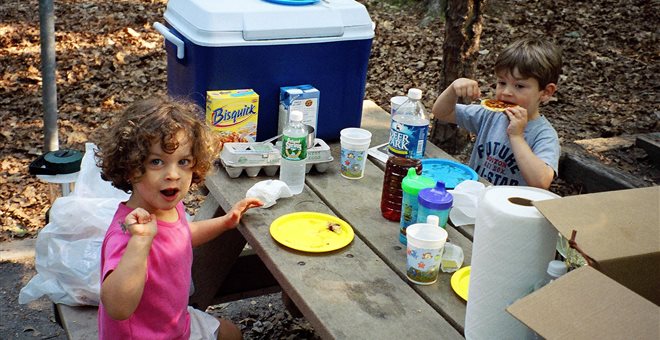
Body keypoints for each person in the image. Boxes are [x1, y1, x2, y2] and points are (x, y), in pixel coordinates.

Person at [94, 96, 263, 339]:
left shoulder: (167, 206)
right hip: (142, 336)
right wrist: (140, 243)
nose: (173, 174)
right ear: (130, 167)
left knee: (231, 333)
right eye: (156, 162)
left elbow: (180, 234)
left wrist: (225, 221)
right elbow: (118, 308)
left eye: (183, 162)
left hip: (174, 323)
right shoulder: (128, 232)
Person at [432, 37, 562, 189]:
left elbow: (541, 182)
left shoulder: (544, 134)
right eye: (502, 83)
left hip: (511, 208)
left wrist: (517, 136)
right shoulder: (490, 115)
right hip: (475, 198)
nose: (506, 92)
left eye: (519, 86)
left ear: (546, 92)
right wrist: (453, 89)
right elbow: (442, 112)